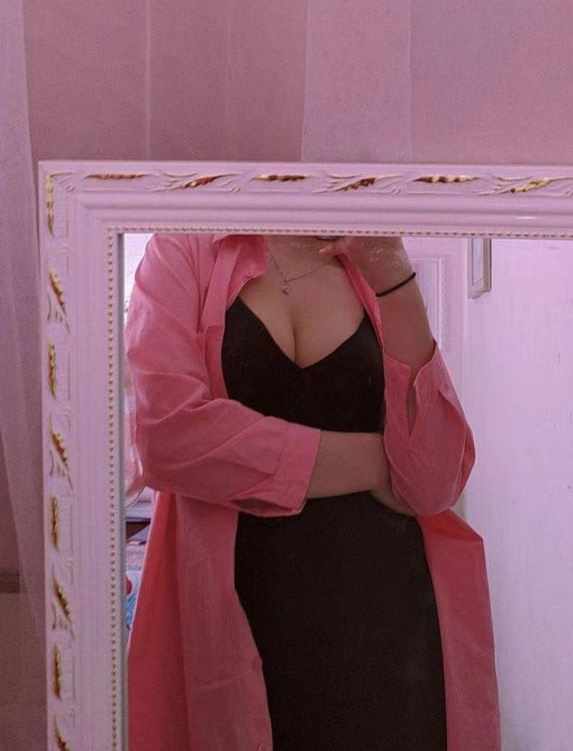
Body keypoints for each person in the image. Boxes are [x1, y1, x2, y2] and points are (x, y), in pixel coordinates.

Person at [124, 232, 501, 751]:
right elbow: (168, 438)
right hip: (241, 611)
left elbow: (434, 482)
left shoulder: (374, 259)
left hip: (390, 616)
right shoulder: (185, 248)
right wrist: (378, 463)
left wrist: (395, 277)